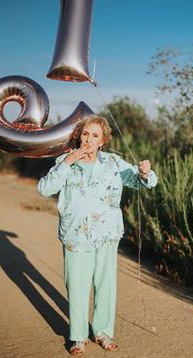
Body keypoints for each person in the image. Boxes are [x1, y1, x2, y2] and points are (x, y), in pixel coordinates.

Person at [37, 115, 158, 356]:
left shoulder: (113, 162)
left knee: (105, 286)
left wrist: (145, 172)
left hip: (107, 234)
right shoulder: (65, 161)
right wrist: (67, 162)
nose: (88, 139)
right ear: (79, 136)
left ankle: (102, 332)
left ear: (103, 141)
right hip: (76, 235)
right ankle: (78, 337)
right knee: (77, 286)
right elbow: (44, 189)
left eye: (94, 135)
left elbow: (142, 182)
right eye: (85, 134)